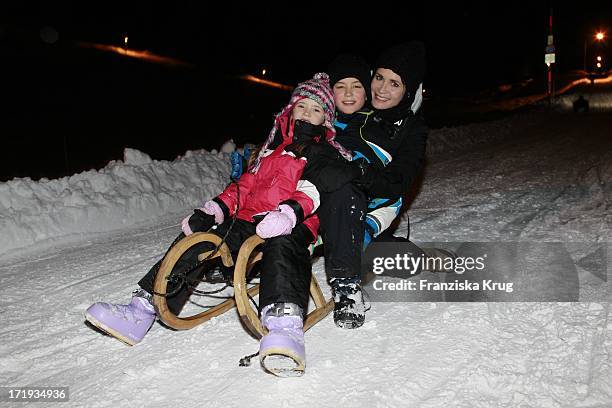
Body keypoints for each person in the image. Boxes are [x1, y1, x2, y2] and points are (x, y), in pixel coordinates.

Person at [85, 73, 351, 377]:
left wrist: (288, 214)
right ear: (290, 111)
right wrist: (214, 211)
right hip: (250, 220)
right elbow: (243, 187)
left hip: (295, 222)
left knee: (283, 243)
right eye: (302, 106)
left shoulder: (322, 152)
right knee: (200, 238)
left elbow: (313, 190)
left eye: (316, 110)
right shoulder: (271, 151)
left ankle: (284, 326)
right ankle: (142, 308)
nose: (307, 114)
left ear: (326, 120)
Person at [319, 42, 428, 329]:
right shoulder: (358, 107)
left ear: (408, 89)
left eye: (395, 83)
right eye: (379, 78)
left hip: (378, 202)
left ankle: (364, 250)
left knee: (410, 262)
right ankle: (347, 280)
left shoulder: (412, 129)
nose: (382, 89)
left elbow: (398, 182)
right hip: (338, 196)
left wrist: (361, 173)